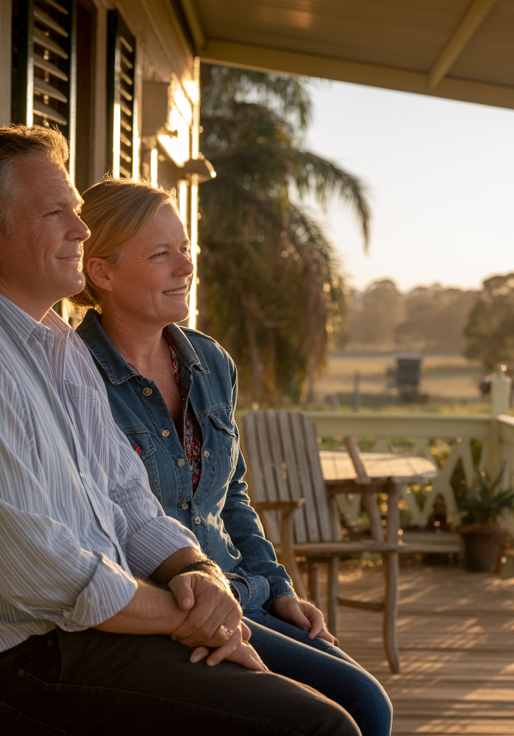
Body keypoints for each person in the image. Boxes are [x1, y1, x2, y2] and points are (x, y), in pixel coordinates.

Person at [0, 126, 359, 736]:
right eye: (57, 214)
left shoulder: (53, 345)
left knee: (335, 706)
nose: (80, 230)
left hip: (96, 638)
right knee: (321, 728)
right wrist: (185, 617)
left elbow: (127, 496)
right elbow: (42, 573)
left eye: (77, 213)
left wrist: (196, 572)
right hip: (27, 669)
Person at [68, 177, 393, 736]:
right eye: (161, 254)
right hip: (180, 611)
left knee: (365, 699)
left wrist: (281, 587)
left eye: (186, 248)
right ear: (102, 272)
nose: (186, 267)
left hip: (247, 591)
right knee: (360, 707)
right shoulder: (75, 375)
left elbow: (232, 496)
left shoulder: (210, 364)